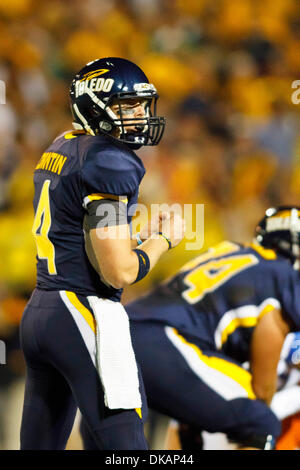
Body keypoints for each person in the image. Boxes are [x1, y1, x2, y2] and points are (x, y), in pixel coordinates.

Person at [19, 57, 185, 450]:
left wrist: (135, 232)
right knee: (127, 448)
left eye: (143, 105)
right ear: (94, 106)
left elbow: (81, 228)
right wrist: (164, 240)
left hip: (42, 313)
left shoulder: (64, 145)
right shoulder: (109, 159)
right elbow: (119, 273)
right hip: (84, 312)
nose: (141, 116)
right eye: (128, 106)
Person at [79, 206, 300, 450]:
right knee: (260, 422)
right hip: (164, 341)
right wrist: (260, 408)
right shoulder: (283, 275)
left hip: (118, 332)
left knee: (177, 431)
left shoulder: (231, 251)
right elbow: (263, 378)